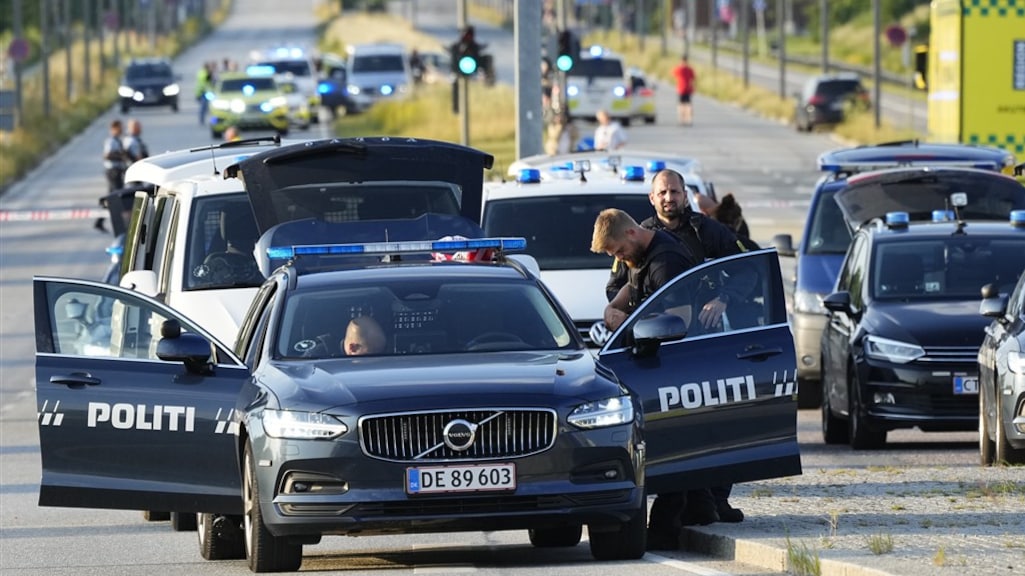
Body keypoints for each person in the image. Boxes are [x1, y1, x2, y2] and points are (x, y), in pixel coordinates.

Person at [604, 169, 754, 548]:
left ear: (685, 195)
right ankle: (701, 504)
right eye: (662, 192)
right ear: (652, 199)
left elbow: (747, 268)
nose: (669, 197)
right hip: (661, 343)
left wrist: (724, 298)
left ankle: (715, 500)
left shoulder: (709, 232)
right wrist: (623, 312)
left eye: (674, 191)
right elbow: (617, 285)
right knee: (683, 425)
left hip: (708, 340)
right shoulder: (639, 237)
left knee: (719, 420)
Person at [97, 119, 129, 232]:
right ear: (114, 128)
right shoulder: (111, 141)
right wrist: (121, 157)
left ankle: (100, 221)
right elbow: (107, 155)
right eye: (120, 127)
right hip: (113, 172)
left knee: (112, 198)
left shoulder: (117, 141)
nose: (122, 129)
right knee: (117, 197)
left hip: (117, 171)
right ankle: (121, 224)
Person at [672, 55, 696, 125]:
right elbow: (693, 79)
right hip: (686, 89)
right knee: (687, 105)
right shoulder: (690, 69)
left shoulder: (680, 69)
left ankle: (683, 119)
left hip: (682, 89)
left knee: (683, 105)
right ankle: (687, 119)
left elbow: (673, 74)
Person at [196, 61, 215, 126]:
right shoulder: (203, 73)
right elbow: (206, 78)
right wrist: (210, 72)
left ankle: (211, 121)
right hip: (203, 92)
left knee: (209, 108)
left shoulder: (204, 72)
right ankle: (202, 120)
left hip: (207, 92)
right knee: (204, 107)